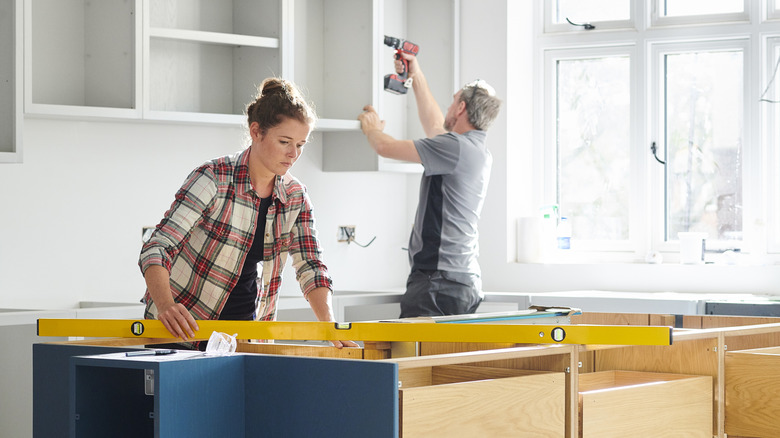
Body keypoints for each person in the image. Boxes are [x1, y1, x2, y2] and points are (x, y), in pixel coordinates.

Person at [139, 77, 357, 349]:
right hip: (182, 332)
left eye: (300, 145)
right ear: (256, 132)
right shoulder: (214, 178)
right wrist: (166, 306)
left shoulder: (295, 196)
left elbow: (311, 267)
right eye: (285, 141)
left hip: (244, 338)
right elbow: (157, 248)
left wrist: (330, 327)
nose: (293, 154)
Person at [358, 53, 502, 318]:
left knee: (414, 358)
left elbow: (385, 147)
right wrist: (416, 74)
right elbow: (435, 125)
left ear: (460, 109)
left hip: (438, 283)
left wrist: (372, 128)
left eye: (452, 102)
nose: (448, 108)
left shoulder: (454, 147)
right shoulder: (474, 149)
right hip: (459, 281)